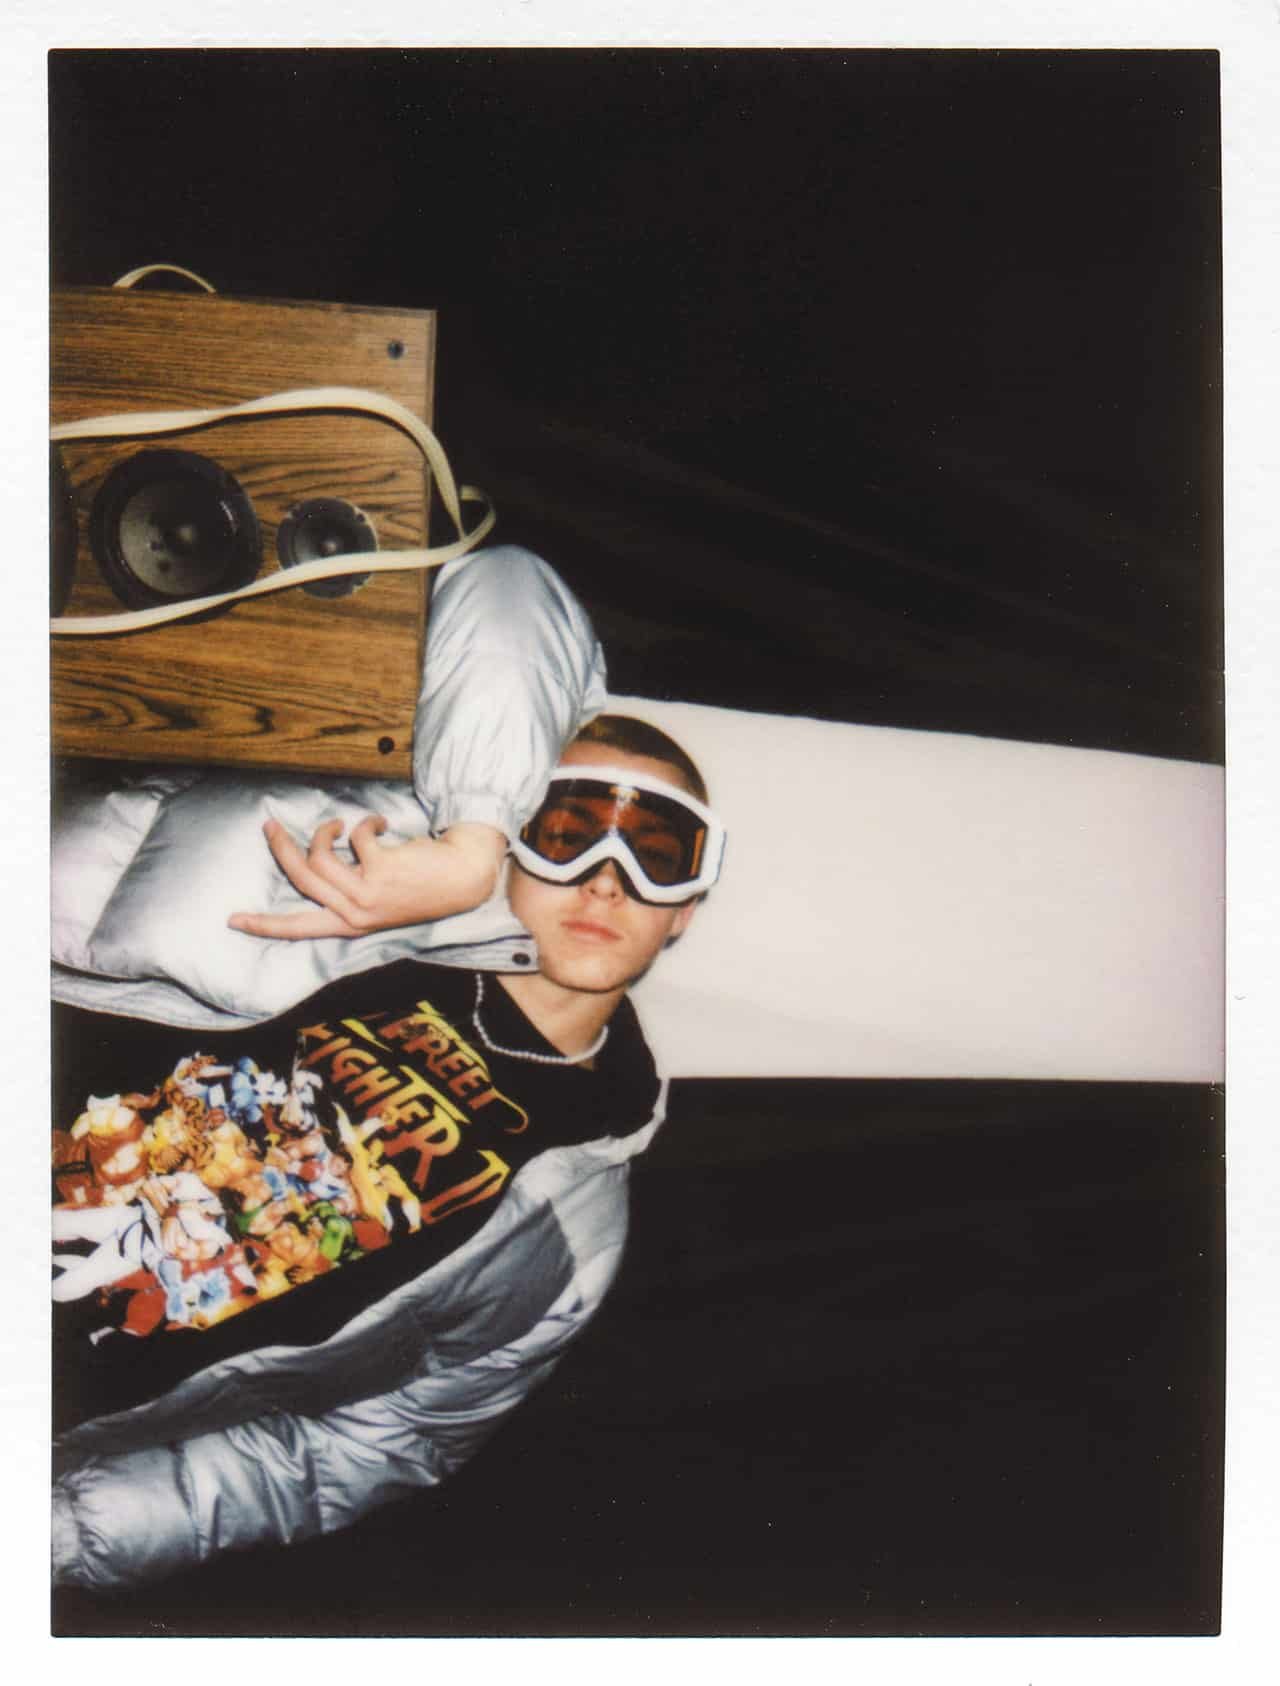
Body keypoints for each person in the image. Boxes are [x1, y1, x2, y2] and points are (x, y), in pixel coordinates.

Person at [50, 549, 727, 1593]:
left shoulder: (576, 1230)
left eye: (657, 853)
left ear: (685, 908)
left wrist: (57, 1534)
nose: (607, 881)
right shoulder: (359, 900)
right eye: (570, 830)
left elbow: (378, 1443)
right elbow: (508, 588)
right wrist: (469, 843)